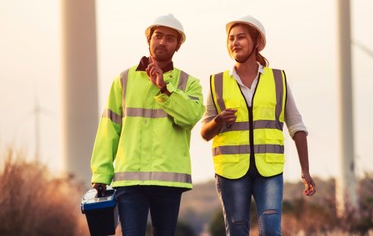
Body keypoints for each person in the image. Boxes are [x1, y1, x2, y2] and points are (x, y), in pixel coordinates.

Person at [200, 15, 316, 236]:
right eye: (231, 38)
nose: (235, 42)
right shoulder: (217, 82)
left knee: (271, 230)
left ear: (256, 42)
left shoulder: (278, 80)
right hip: (231, 171)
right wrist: (219, 120)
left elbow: (297, 126)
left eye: (241, 37)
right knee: (237, 230)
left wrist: (305, 170)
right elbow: (205, 133)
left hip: (269, 169)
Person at [90, 14, 205, 236]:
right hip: (130, 180)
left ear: (178, 46)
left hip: (169, 180)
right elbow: (108, 128)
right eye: (158, 36)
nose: (162, 42)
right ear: (148, 40)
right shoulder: (123, 80)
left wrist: (165, 88)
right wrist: (101, 174)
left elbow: (191, 116)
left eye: (170, 38)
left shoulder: (189, 83)